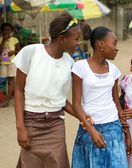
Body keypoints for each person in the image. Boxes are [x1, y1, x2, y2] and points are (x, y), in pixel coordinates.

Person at [13, 13, 79, 167]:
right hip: (30, 123)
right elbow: (18, 90)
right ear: (62, 39)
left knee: (56, 162)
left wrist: (82, 116)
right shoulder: (31, 53)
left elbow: (60, 100)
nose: (78, 42)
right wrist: (20, 127)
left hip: (55, 125)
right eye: (76, 38)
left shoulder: (70, 63)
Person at [71, 26, 132, 167]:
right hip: (89, 130)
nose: (117, 48)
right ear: (101, 44)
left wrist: (127, 133)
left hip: (114, 130)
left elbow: (117, 104)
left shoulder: (114, 71)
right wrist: (91, 131)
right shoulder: (80, 67)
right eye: (114, 43)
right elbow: (76, 104)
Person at [0, 22, 20, 107]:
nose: (6, 31)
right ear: (2, 31)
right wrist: (4, 40)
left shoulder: (14, 40)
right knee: (3, 81)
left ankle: (7, 100)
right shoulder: (0, 39)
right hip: (3, 62)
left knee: (11, 81)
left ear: (11, 30)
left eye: (8, 29)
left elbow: (19, 50)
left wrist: (14, 52)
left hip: (12, 62)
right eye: (4, 30)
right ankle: (5, 97)